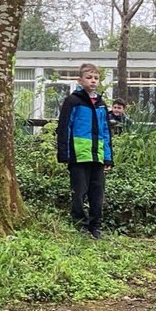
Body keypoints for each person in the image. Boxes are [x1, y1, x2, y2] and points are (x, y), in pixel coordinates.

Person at [56, 63, 113, 239]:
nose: (93, 81)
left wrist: (108, 158)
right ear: (80, 80)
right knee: (79, 192)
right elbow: (64, 127)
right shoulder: (73, 101)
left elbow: (106, 132)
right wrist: (64, 154)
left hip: (97, 156)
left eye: (96, 78)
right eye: (89, 77)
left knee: (97, 193)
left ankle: (95, 226)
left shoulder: (101, 104)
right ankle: (80, 224)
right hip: (78, 155)